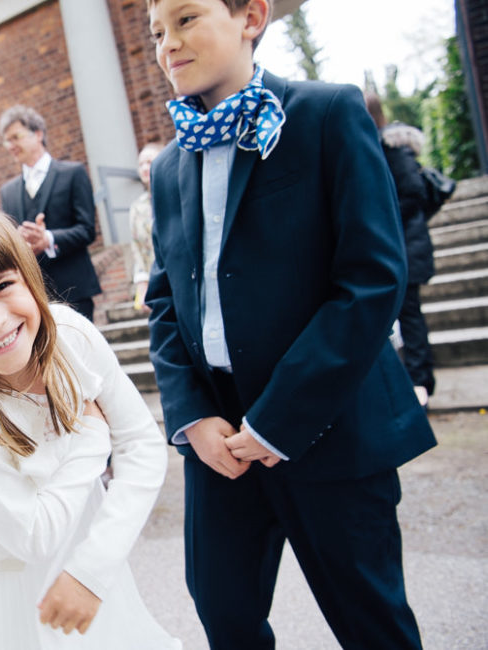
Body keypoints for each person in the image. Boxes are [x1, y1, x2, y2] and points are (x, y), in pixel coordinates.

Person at [144, 1, 437, 648]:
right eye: (156, 31)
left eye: (186, 19)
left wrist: (281, 415)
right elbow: (164, 301)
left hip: (327, 418)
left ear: (249, 16)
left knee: (370, 622)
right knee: (224, 613)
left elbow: (371, 278)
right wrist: (191, 414)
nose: (167, 43)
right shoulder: (167, 168)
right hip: (216, 436)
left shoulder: (325, 114)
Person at [0, 195, 181, 650]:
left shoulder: (72, 335)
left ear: (29, 276)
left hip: (84, 548)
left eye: (2, 285)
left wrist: (93, 567)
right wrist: (91, 434)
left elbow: (142, 445)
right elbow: (32, 536)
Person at [365, 92, 438, 408]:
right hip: (399, 246)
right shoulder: (376, 148)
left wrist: (380, 214)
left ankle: (420, 382)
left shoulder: (393, 149)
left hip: (408, 247)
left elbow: (413, 192)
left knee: (409, 314)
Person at [0, 105, 102, 321]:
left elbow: (87, 230)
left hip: (75, 289)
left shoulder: (73, 173)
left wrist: (48, 239)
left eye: (16, 137)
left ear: (38, 134)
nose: (11, 146)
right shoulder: (7, 192)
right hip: (33, 296)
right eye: (7, 141)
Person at [129, 142, 165, 311]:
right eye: (141, 164)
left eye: (149, 162)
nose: (144, 168)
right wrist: (143, 287)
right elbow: (138, 249)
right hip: (156, 280)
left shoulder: (178, 197)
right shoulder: (137, 207)